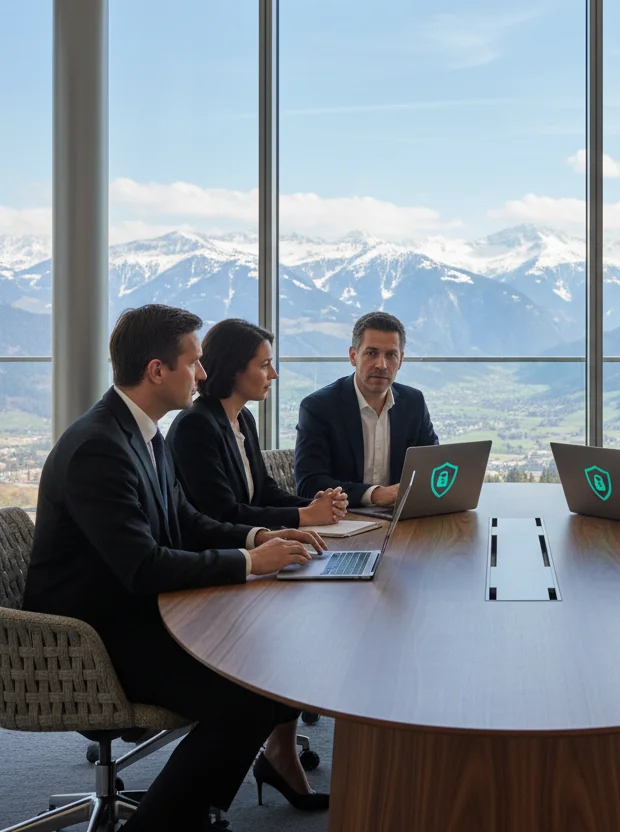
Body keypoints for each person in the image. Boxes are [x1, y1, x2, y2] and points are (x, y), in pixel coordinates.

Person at [23, 305, 326, 832]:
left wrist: (259, 537)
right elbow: (142, 566)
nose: (204, 374)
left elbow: (184, 518)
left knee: (264, 664)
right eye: (194, 362)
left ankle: (191, 811)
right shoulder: (99, 448)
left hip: (135, 611)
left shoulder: (142, 432)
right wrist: (251, 562)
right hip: (91, 640)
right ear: (157, 370)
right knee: (251, 692)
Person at [167, 317, 348, 811]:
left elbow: (262, 492)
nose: (273, 374)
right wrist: (299, 518)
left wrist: (312, 508)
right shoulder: (196, 427)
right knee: (293, 635)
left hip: (244, 556)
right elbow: (220, 512)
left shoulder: (240, 419)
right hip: (213, 569)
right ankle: (276, 753)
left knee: (304, 621)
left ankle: (280, 750)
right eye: (265, 365)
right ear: (233, 368)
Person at [294, 310, 438, 507]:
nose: (381, 365)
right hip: (343, 518)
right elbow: (309, 484)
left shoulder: (414, 402)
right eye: (372, 353)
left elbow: (432, 468)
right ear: (353, 356)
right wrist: (375, 495)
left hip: (402, 517)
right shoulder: (319, 407)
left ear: (401, 360)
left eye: (391, 355)